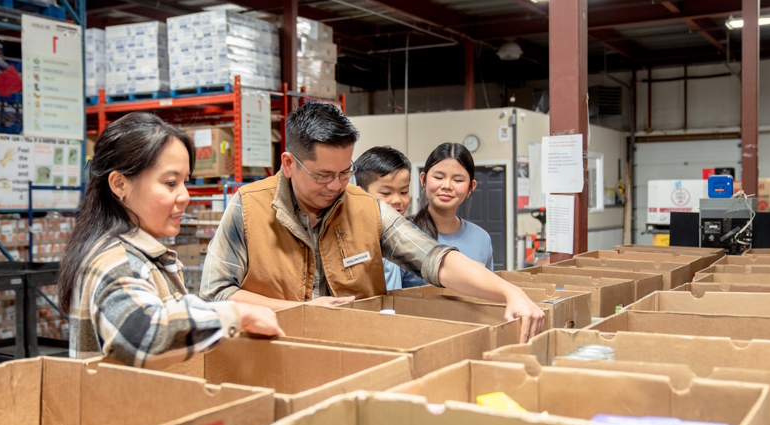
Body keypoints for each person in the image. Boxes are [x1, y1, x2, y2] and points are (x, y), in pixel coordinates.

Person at [200, 102, 545, 342]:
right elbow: (216, 294)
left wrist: (508, 292)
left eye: (344, 172)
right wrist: (301, 311)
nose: (336, 185)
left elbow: (433, 258)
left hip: (358, 357)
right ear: (289, 164)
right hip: (274, 356)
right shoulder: (247, 209)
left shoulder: (365, 209)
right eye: (322, 175)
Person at [58, 112, 283, 368]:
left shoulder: (138, 255)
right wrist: (235, 315)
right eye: (170, 183)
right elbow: (142, 336)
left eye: (185, 182)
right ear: (119, 184)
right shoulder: (116, 260)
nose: (185, 196)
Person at [402, 143, 492, 289]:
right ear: (423, 179)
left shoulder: (481, 239)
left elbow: (487, 294)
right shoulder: (402, 234)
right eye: (438, 177)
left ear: (471, 187)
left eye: (458, 180)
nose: (447, 186)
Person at [354, 146, 412, 291]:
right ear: (360, 192)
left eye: (404, 192)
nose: (398, 200)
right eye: (386, 193)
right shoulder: (354, 237)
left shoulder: (401, 235)